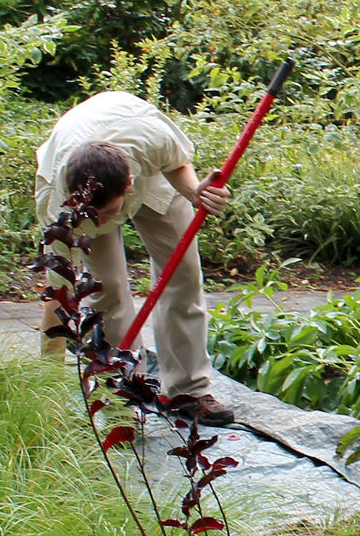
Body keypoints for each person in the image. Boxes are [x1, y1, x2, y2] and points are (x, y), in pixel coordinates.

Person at [34, 90, 233, 424]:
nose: (105, 224)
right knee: (105, 288)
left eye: (110, 214)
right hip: (82, 157)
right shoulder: (60, 212)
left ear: (128, 185)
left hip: (149, 165)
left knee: (181, 273)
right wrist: (45, 388)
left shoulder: (149, 138)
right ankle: (122, 398)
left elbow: (176, 163)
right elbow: (58, 297)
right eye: (94, 217)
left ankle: (188, 391)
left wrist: (196, 192)